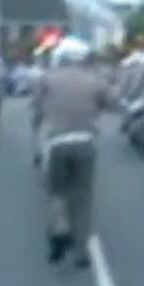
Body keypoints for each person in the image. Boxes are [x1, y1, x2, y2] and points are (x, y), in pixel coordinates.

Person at [32, 37, 111, 268]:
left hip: (57, 141)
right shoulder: (96, 81)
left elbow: (37, 106)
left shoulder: (48, 78)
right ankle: (81, 252)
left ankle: (60, 227)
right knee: (82, 197)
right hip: (85, 141)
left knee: (57, 191)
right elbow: (110, 103)